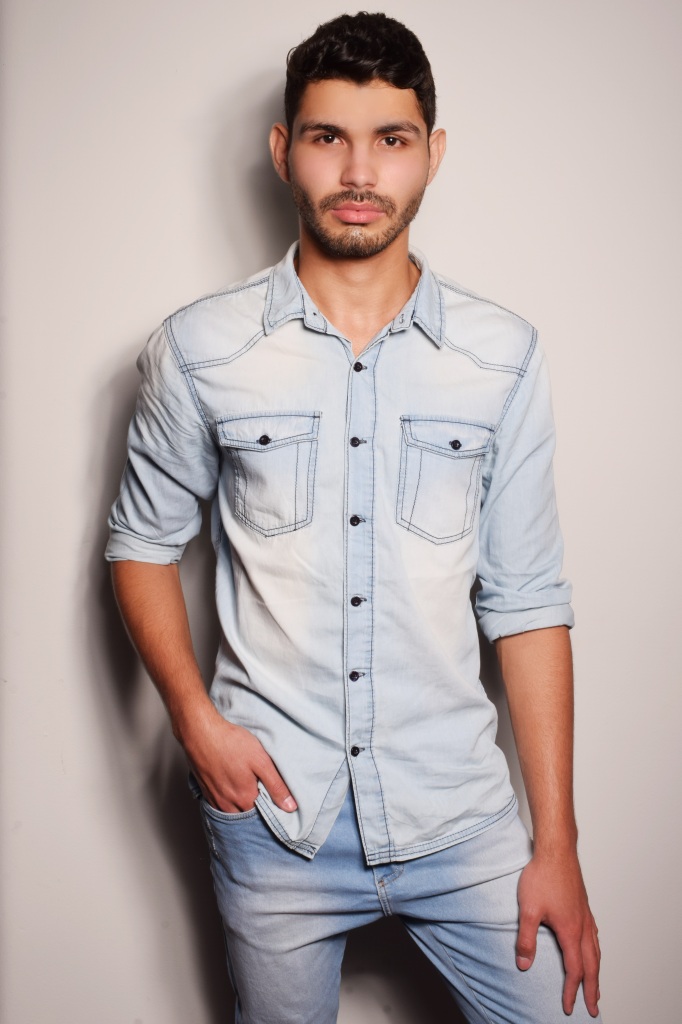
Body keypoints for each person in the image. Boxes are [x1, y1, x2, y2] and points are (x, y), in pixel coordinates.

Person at [106, 12, 602, 1024]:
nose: (360, 171)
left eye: (392, 138)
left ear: (433, 154)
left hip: (457, 816)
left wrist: (556, 843)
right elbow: (140, 545)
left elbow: (527, 601)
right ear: (282, 150)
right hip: (274, 819)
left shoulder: (501, 356)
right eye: (328, 136)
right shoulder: (199, 349)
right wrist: (196, 723)